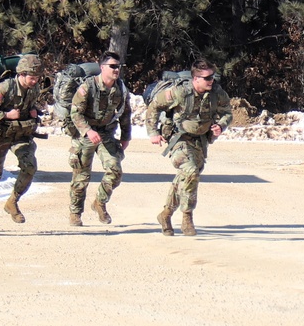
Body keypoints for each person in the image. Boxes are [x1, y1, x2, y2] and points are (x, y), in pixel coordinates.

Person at [146, 58, 232, 236]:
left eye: (212, 77)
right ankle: (187, 217)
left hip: (200, 141)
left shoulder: (217, 93)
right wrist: (153, 132)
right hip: (179, 139)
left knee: (187, 177)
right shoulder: (179, 92)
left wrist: (221, 125)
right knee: (190, 171)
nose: (211, 81)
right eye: (207, 78)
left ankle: (166, 214)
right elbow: (154, 106)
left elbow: (227, 112)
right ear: (196, 79)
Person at [0, 54, 43, 231]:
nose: (34, 81)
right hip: (0, 136)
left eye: (37, 77)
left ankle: (12, 201)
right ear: (21, 74)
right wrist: (5, 115)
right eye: (31, 77)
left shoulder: (34, 89)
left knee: (29, 167)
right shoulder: (5, 88)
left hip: (20, 135)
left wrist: (33, 112)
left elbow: (29, 106)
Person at [68, 51, 131, 227]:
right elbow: (76, 112)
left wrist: (126, 136)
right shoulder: (88, 87)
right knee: (81, 176)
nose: (116, 69)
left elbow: (125, 113)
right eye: (112, 66)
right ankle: (75, 213)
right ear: (102, 68)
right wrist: (88, 131)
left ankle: (100, 202)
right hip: (86, 134)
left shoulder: (121, 89)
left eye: (118, 66)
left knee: (115, 170)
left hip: (106, 134)